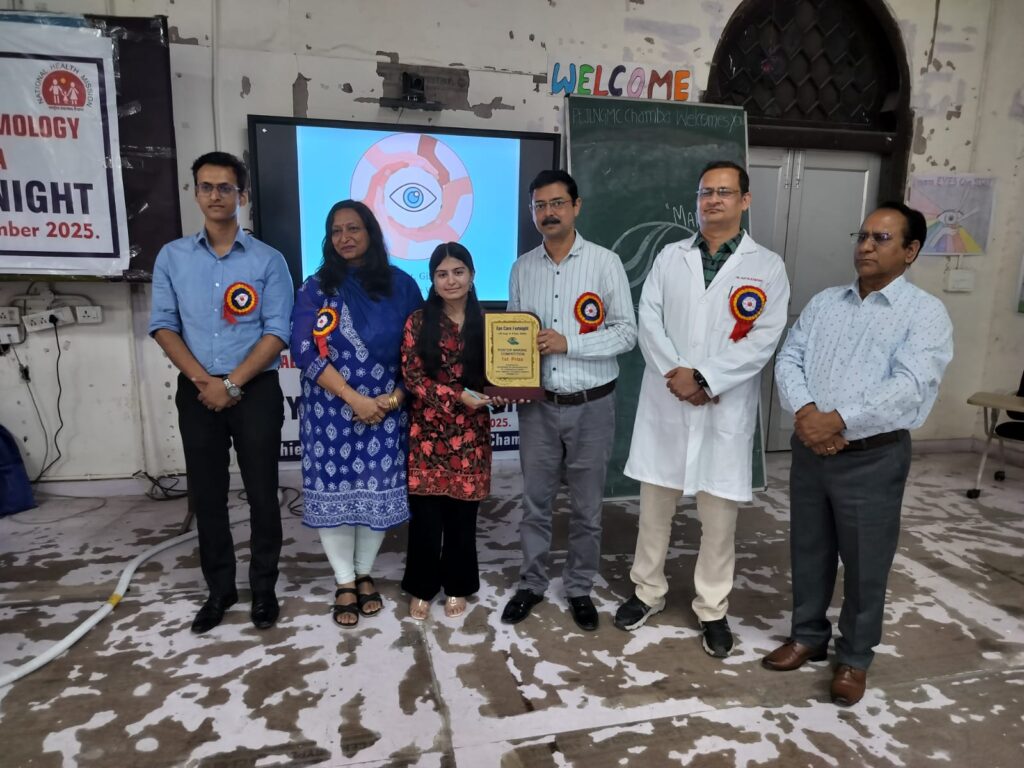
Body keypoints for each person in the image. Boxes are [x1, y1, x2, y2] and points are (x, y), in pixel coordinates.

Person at [763, 202, 953, 705]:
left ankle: (854, 657)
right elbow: (789, 357)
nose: (866, 246)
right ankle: (807, 636)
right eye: (863, 236)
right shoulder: (826, 303)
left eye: (881, 238)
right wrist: (808, 413)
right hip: (812, 452)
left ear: (911, 251)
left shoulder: (925, 314)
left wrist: (838, 420)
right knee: (809, 549)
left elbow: (910, 387)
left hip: (872, 457)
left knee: (866, 562)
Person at [614, 160, 790, 659]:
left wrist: (707, 378)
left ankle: (712, 609)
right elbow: (648, 319)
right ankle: (647, 591)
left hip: (722, 406)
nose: (712, 200)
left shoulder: (767, 266)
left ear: (745, 201)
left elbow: (764, 338)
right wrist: (679, 374)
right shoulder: (670, 257)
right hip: (669, 399)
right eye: (705, 192)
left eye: (724, 192)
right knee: (654, 512)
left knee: (719, 521)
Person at [149, 151, 293, 633]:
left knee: (262, 494)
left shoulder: (268, 260)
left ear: (242, 195)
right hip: (197, 390)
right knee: (207, 495)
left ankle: (264, 589)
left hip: (256, 390)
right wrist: (206, 383)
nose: (215, 195)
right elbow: (164, 325)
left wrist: (231, 383)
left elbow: (277, 331)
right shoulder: (172, 257)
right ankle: (220, 590)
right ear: (195, 193)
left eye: (225, 187)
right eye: (206, 187)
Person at [500, 169, 637, 632]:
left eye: (557, 203)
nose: (548, 212)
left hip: (591, 404)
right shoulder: (522, 268)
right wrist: (508, 377)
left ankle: (579, 587)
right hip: (538, 407)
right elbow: (513, 336)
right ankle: (531, 583)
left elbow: (627, 333)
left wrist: (569, 343)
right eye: (539, 205)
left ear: (576, 206)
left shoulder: (604, 263)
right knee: (534, 504)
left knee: (586, 508)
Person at [290, 200, 422, 628]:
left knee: (374, 493)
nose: (344, 238)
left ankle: (364, 573)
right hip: (330, 411)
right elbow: (303, 349)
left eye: (353, 229)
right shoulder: (316, 289)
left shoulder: (402, 286)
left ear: (371, 233)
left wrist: (393, 399)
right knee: (336, 493)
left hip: (386, 412)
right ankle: (344, 580)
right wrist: (354, 399)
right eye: (336, 231)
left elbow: (418, 351)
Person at [400, 243, 499, 620]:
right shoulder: (417, 321)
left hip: (472, 433)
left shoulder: (489, 322)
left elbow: (501, 375)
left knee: (462, 517)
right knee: (426, 519)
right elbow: (412, 376)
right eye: (442, 274)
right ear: (432, 280)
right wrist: (456, 396)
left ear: (472, 275)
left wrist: (503, 393)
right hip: (428, 433)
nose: (451, 280)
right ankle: (422, 587)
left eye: (458, 272)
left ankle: (458, 584)